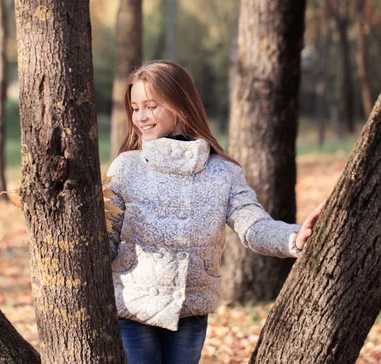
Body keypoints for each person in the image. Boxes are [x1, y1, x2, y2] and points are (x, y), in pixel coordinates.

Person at [106, 60, 325, 364]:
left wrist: (294, 237)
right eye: (135, 107)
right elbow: (107, 238)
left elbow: (254, 226)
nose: (141, 117)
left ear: (180, 104)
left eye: (151, 106)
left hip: (191, 310)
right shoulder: (126, 168)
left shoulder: (223, 172)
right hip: (132, 307)